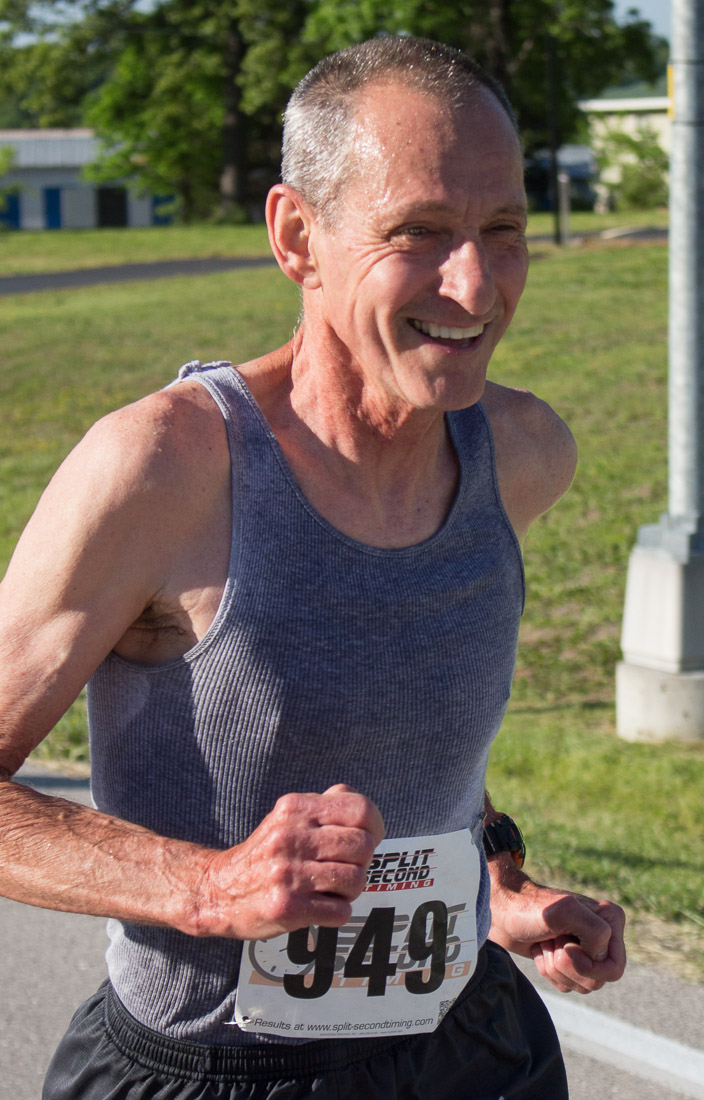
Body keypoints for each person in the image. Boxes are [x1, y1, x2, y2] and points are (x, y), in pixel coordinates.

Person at [0, 35, 625, 1100]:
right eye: (419, 232)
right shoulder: (163, 471)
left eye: (502, 229)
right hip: (214, 1068)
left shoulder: (522, 455)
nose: (475, 283)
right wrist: (211, 886)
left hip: (473, 1046)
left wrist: (499, 887)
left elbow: (395, 716)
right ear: (298, 236)